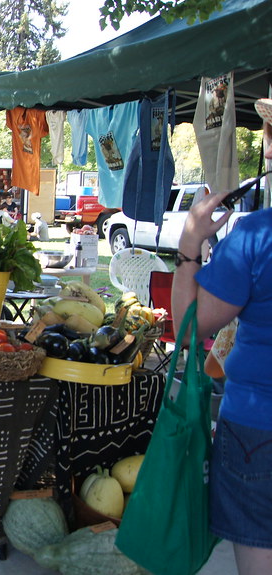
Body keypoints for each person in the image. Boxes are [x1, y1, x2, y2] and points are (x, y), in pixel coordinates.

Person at [170, 99, 272, 575]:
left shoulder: (256, 236)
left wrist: (191, 243)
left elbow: (188, 328)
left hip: (258, 428)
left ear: (268, 145)